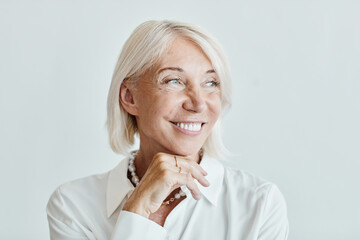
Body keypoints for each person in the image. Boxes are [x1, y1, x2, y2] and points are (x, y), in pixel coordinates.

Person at [46, 19, 289, 240]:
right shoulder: (73, 205)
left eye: (210, 83)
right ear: (130, 97)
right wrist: (139, 212)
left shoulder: (260, 203)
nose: (198, 103)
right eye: (174, 81)